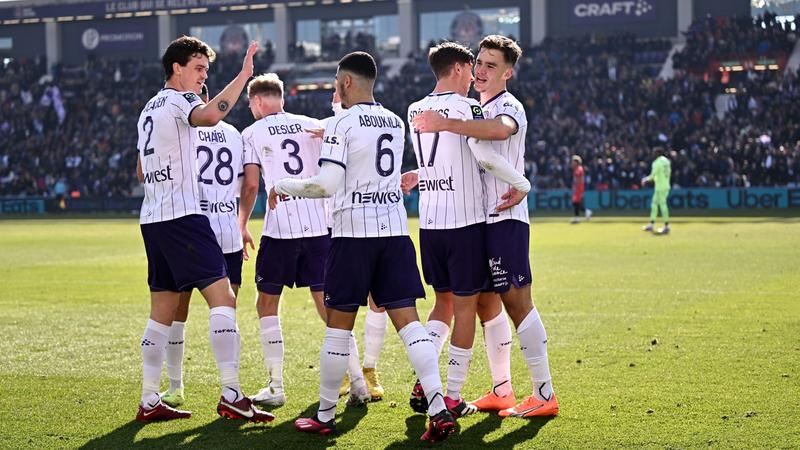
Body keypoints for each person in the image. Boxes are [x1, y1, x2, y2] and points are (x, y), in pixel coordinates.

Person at [269, 51, 456, 442]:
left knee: (338, 327)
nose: (337, 86)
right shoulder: (393, 121)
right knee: (410, 324)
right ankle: (438, 408)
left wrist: (283, 185)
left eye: (337, 81)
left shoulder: (342, 122)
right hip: (393, 232)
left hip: (353, 235)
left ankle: (324, 415)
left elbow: (325, 185)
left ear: (347, 82)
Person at [412, 35, 559, 418]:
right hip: (482, 221)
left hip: (506, 217)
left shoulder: (507, 106)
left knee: (517, 301)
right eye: (479, 62)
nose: (481, 70)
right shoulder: (475, 108)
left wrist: (446, 122)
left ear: (508, 72)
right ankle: (502, 389)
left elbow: (500, 131)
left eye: (491, 65)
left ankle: (544, 393)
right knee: (485, 304)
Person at [134, 36, 272, 423]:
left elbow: (141, 170)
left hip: (154, 218)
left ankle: (149, 398)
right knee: (224, 297)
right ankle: (231, 393)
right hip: (183, 218)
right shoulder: (180, 100)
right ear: (176, 68)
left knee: (161, 311)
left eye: (206, 72)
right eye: (198, 69)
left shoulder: (148, 109)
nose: (202, 78)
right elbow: (211, 116)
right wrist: (244, 74)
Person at [237, 74, 369, 408]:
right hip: (319, 228)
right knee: (331, 308)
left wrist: (242, 223)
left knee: (266, 304)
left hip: (280, 228)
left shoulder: (251, 133)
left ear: (256, 101)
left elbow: (252, 185)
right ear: (280, 97)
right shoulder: (313, 124)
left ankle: (276, 387)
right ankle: (358, 384)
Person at [158, 84, 247, 408]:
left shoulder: (183, 131)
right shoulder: (235, 134)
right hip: (227, 231)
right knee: (226, 309)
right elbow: (247, 183)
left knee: (177, 312)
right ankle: (232, 388)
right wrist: (242, 221)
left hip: (191, 228)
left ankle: (176, 386)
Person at [316, 91, 389, 402]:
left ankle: (368, 369)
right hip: (335, 225)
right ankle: (353, 369)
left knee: (378, 299)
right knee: (338, 305)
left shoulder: (361, 121)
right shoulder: (333, 124)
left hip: (366, 221)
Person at [642, 147, 672, 234]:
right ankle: (651, 225)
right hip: (666, 185)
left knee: (662, 205)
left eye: (654, 153)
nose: (653, 154)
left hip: (660, 187)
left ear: (658, 154)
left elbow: (652, 176)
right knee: (654, 204)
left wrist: (645, 180)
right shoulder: (667, 161)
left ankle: (666, 226)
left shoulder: (656, 162)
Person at [570, 155, 592, 224]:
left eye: (573, 162)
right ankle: (586, 212)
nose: (572, 163)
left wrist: (576, 187)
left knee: (576, 203)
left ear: (576, 162)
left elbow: (580, 180)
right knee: (576, 203)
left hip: (578, 188)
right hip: (578, 188)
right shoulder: (577, 169)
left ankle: (578, 217)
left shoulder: (579, 169)